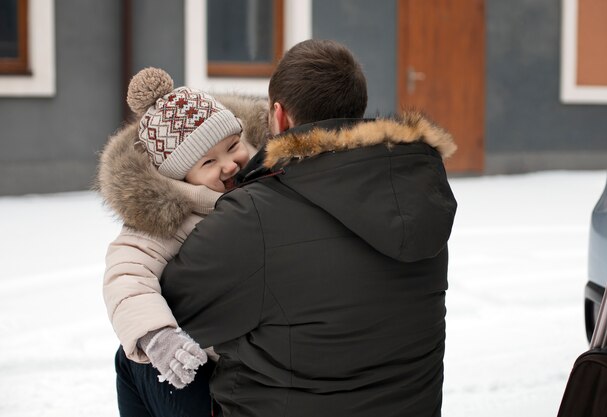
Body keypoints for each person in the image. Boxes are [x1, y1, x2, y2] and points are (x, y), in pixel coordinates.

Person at [159, 39, 458, 417]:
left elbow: (173, 311)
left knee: (141, 357)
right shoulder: (414, 191)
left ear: (280, 117)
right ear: (356, 110)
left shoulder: (255, 215)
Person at [95, 67, 268, 416]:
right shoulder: (169, 217)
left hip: (250, 365)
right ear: (181, 178)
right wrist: (156, 334)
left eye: (233, 146)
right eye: (208, 162)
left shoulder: (266, 183)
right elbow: (127, 275)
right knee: (136, 364)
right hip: (196, 363)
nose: (229, 165)